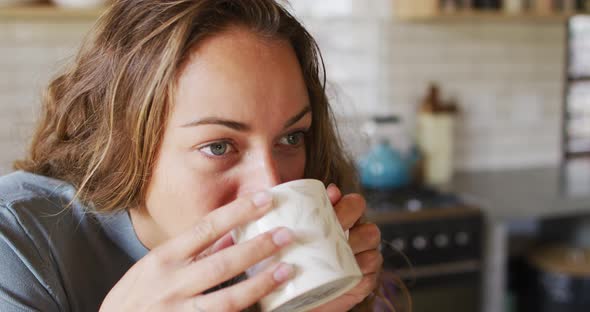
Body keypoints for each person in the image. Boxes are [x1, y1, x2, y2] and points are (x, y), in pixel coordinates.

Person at [0, 0, 383, 311]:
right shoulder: (16, 240)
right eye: (219, 147)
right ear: (125, 140)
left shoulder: (296, 256)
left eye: (291, 137)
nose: (269, 187)